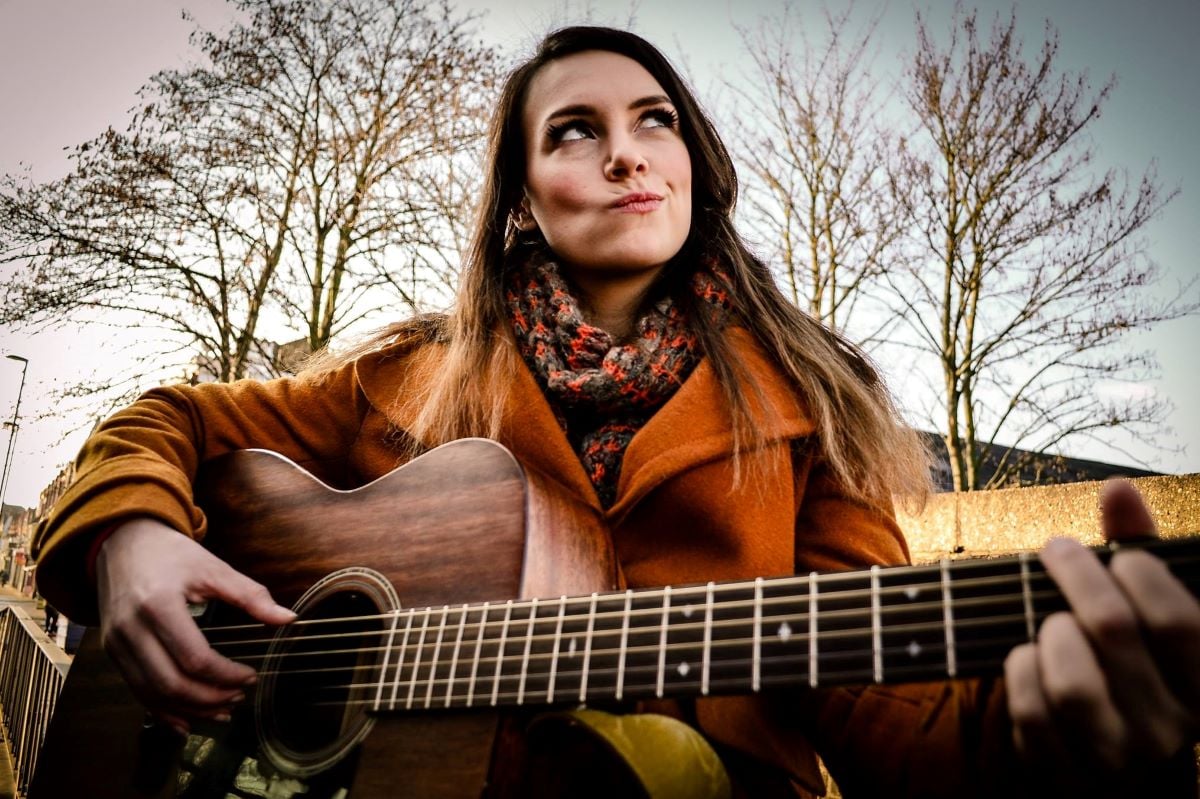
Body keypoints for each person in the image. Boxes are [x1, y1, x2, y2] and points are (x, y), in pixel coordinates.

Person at [32, 26, 1199, 798]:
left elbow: (891, 719)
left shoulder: (817, 406)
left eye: (657, 121)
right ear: (523, 205)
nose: (627, 154)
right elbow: (168, 419)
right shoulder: (406, 377)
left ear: (696, 166)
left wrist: (1052, 745)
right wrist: (129, 540)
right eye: (574, 130)